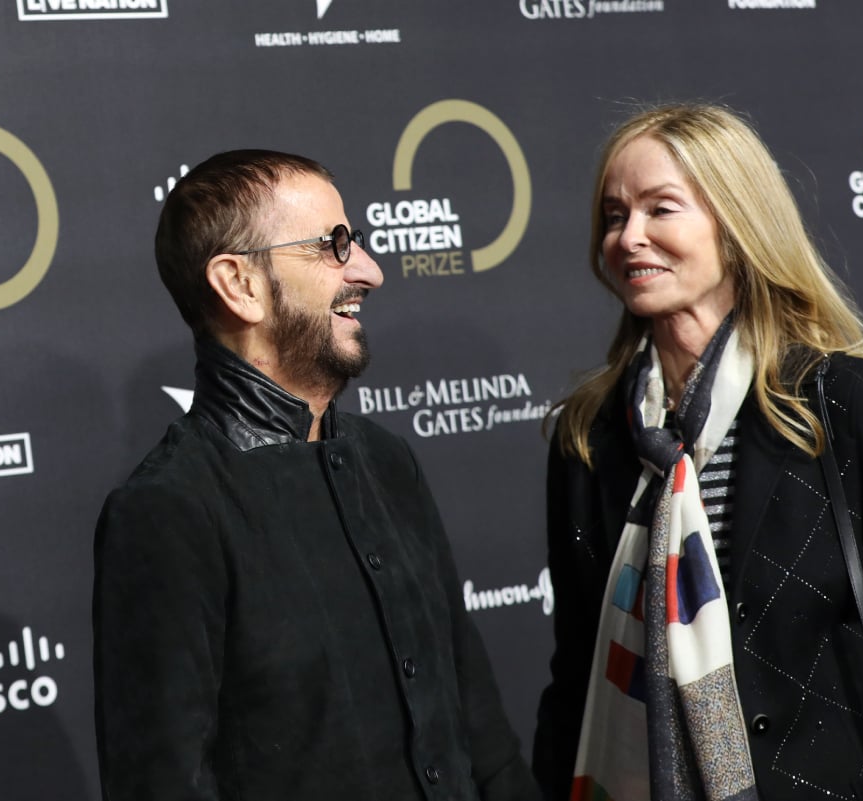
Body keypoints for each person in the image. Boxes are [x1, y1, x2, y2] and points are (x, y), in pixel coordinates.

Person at [531, 104, 863, 801]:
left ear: (736, 225)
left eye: (661, 209)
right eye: (614, 214)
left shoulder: (835, 399)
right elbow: (576, 679)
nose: (630, 237)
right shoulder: (589, 437)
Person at [93, 149, 538, 801]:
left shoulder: (388, 463)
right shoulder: (168, 510)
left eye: (354, 241)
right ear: (238, 284)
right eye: (333, 245)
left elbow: (482, 735)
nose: (369, 270)